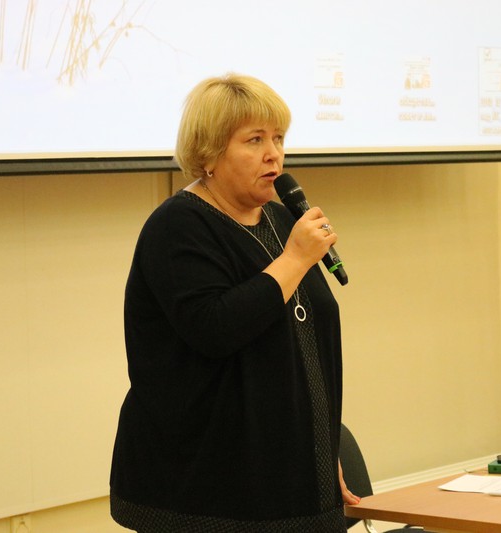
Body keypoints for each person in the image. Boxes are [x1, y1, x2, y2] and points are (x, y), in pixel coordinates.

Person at [109, 73, 359, 532]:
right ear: (208, 153)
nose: (273, 153)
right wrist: (295, 259)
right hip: (207, 490)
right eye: (254, 139)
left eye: (279, 138)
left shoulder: (282, 220)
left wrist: (321, 453)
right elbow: (216, 329)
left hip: (294, 481)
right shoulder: (177, 226)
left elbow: (307, 348)